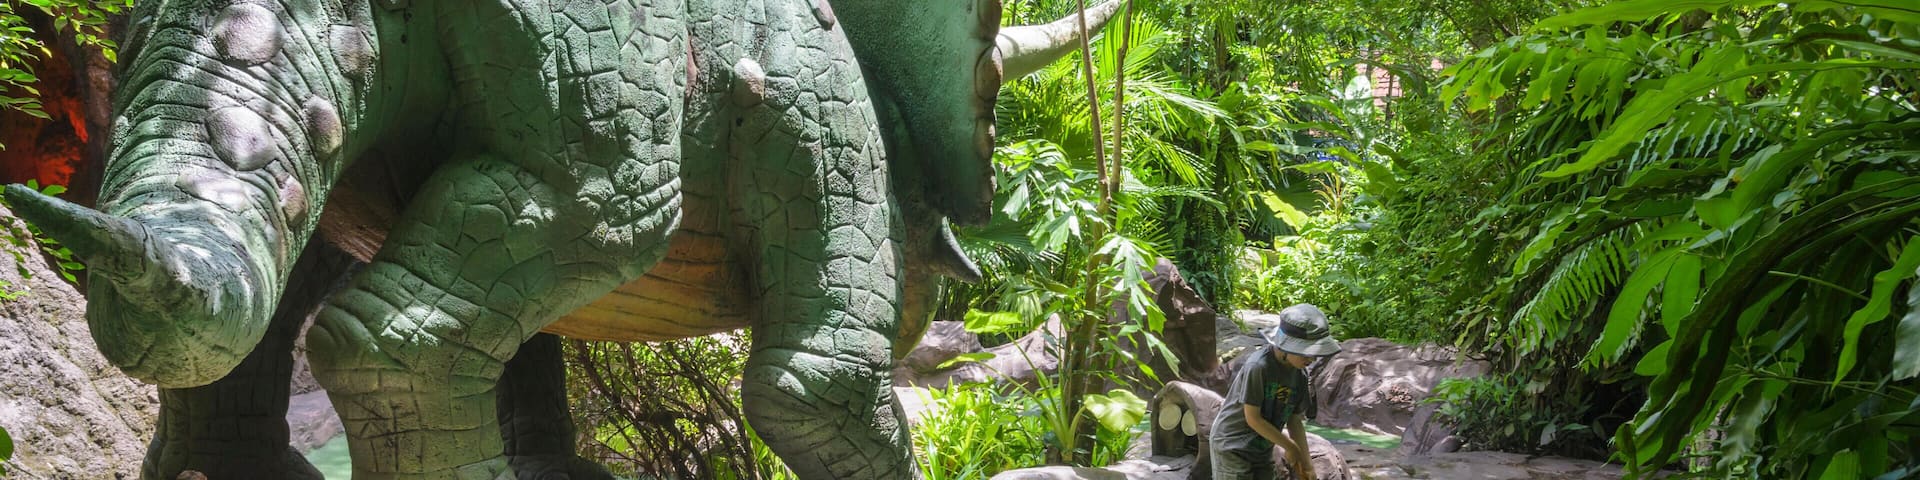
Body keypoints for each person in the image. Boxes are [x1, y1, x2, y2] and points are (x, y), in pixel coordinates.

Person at [1209, 304, 1341, 480]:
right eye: (1307, 353)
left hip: (1262, 448)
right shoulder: (1259, 366)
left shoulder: (1300, 374)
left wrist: (1307, 465)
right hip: (1232, 446)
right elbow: (1253, 418)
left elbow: (1295, 421)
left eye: (1315, 353)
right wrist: (1290, 447)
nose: (1312, 358)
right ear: (1286, 347)